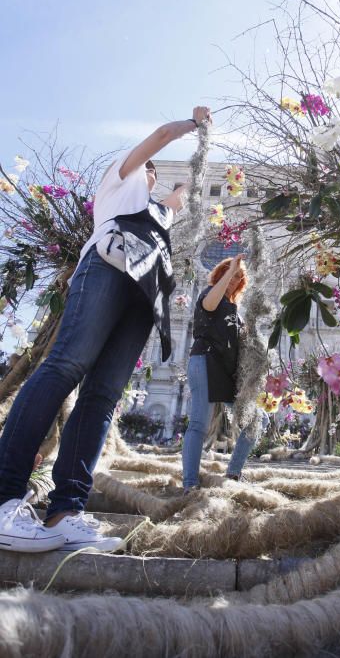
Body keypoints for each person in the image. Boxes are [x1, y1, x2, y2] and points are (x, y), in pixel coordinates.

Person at [0, 106, 211, 553]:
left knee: (102, 396)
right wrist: (193, 125)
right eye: (148, 166)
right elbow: (158, 136)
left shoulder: (157, 211)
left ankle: (65, 512)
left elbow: (183, 194)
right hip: (109, 268)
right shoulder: (121, 181)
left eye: (153, 171)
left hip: (142, 292)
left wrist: (204, 159)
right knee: (64, 367)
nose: (150, 171)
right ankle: (4, 495)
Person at [182, 254, 267, 492]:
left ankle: (233, 473)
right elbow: (209, 305)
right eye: (231, 275)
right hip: (205, 362)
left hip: (227, 373)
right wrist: (231, 269)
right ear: (221, 274)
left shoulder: (235, 310)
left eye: (239, 277)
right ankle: (189, 484)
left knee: (257, 419)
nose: (234, 280)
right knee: (199, 424)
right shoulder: (209, 295)